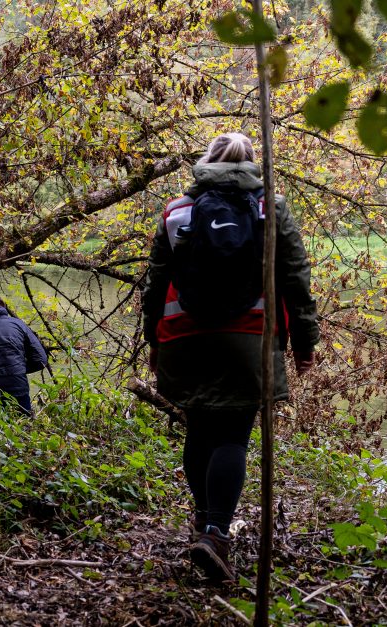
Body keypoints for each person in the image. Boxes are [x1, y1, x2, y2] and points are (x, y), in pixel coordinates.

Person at [140, 132, 319, 581]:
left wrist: (154, 341)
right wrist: (304, 341)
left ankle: (205, 524)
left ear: (206, 162)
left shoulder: (176, 210)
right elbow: (294, 276)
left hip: (185, 336)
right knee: (233, 434)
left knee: (200, 427)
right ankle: (216, 532)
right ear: (251, 164)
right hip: (248, 336)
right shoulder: (270, 207)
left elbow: (156, 284)